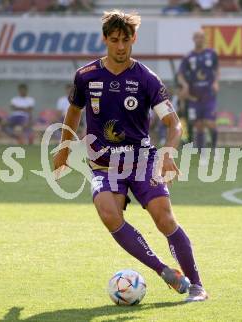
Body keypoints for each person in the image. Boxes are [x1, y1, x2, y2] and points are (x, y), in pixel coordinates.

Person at [53, 10, 208, 302]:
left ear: (134, 38)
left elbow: (173, 123)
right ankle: (164, 271)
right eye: (114, 40)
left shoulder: (146, 79)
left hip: (142, 162)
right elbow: (73, 113)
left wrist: (168, 153)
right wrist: (63, 148)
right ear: (105, 40)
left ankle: (198, 286)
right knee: (109, 214)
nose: (121, 46)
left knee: (164, 219)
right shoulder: (86, 76)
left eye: (126, 40)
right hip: (103, 166)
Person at [177, 30, 220, 163]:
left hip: (208, 95)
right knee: (199, 125)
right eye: (197, 37)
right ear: (193, 39)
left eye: (201, 37)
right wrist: (184, 86)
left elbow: (217, 70)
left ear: (204, 39)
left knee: (211, 123)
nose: (199, 39)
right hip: (194, 97)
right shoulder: (188, 57)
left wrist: (216, 82)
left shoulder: (211, 54)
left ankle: (214, 148)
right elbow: (180, 74)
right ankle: (203, 155)